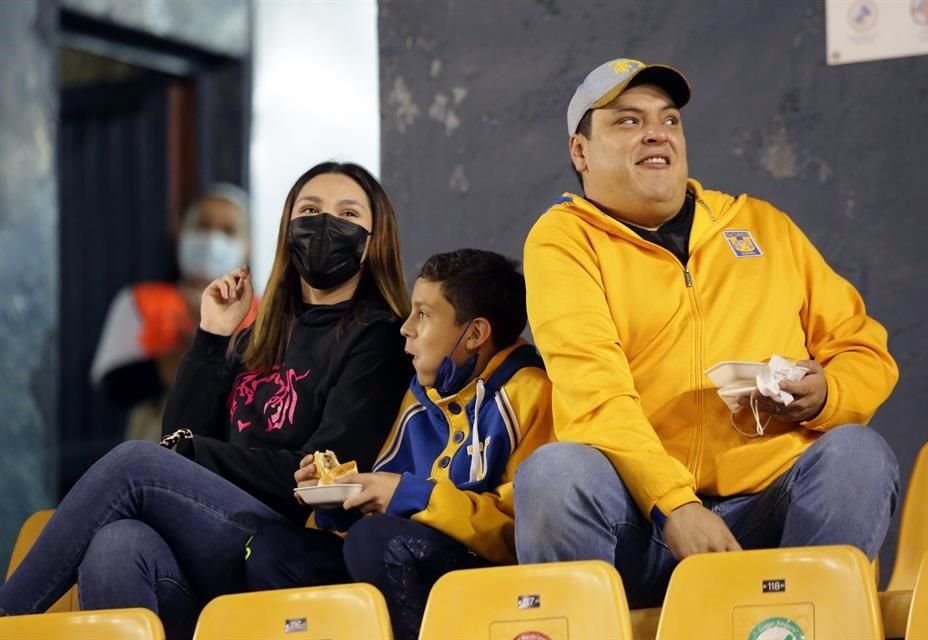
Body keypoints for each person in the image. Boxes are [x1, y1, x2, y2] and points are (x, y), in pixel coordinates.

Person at [515, 58, 900, 608]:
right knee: (555, 474)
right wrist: (675, 505)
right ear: (581, 151)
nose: (656, 133)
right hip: (642, 521)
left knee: (857, 456)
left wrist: (826, 394)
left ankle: (804, 620)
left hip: (765, 512)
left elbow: (861, 347)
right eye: (627, 121)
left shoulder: (762, 227)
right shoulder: (564, 240)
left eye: (669, 120)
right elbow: (593, 395)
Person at [0, 162, 412, 640]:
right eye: (310, 209)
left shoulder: (378, 337)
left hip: (290, 543)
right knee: (117, 543)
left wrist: (197, 455)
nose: (325, 223)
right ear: (287, 229)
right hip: (216, 539)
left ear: (373, 238)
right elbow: (181, 436)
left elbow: (321, 471)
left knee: (135, 462)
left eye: (347, 213)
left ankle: (9, 619)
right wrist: (212, 337)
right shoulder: (260, 335)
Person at [244, 249, 553, 640]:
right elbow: (385, 500)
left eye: (423, 314)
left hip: (488, 578)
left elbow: (518, 534)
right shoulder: (419, 397)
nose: (405, 328)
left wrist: (413, 497)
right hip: (399, 550)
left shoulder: (532, 393)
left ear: (474, 334)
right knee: (273, 550)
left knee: (374, 541)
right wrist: (338, 503)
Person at [90, 183, 256, 442]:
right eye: (202, 225)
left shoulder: (265, 310)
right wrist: (179, 361)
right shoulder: (140, 302)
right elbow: (115, 387)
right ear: (181, 232)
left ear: (247, 246)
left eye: (228, 230)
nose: (212, 239)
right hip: (159, 446)